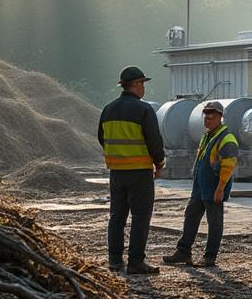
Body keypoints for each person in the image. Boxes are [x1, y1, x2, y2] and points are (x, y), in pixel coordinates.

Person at [97, 66, 165, 275]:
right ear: (135, 84)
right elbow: (154, 140)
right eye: (142, 83)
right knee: (140, 216)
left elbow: (101, 137)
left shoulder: (108, 109)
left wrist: (118, 156)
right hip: (139, 172)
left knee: (117, 216)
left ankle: (115, 261)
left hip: (117, 172)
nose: (144, 87)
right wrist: (159, 163)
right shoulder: (143, 110)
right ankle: (136, 262)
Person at [163, 101, 237, 268]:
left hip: (214, 186)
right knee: (191, 215)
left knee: (215, 222)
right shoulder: (207, 136)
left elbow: (229, 166)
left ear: (220, 117)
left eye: (212, 117)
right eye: (206, 117)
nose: (208, 120)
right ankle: (184, 251)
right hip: (200, 186)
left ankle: (209, 256)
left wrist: (220, 188)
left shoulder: (227, 138)